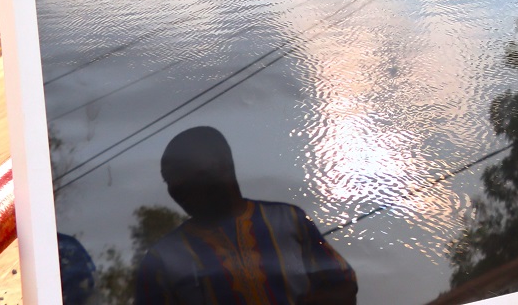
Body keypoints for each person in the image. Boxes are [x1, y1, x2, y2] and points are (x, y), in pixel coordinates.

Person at [135, 126, 358, 305]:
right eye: (169, 180)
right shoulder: (162, 259)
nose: (175, 188)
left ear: (221, 166)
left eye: (183, 173)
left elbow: (343, 284)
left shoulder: (289, 220)